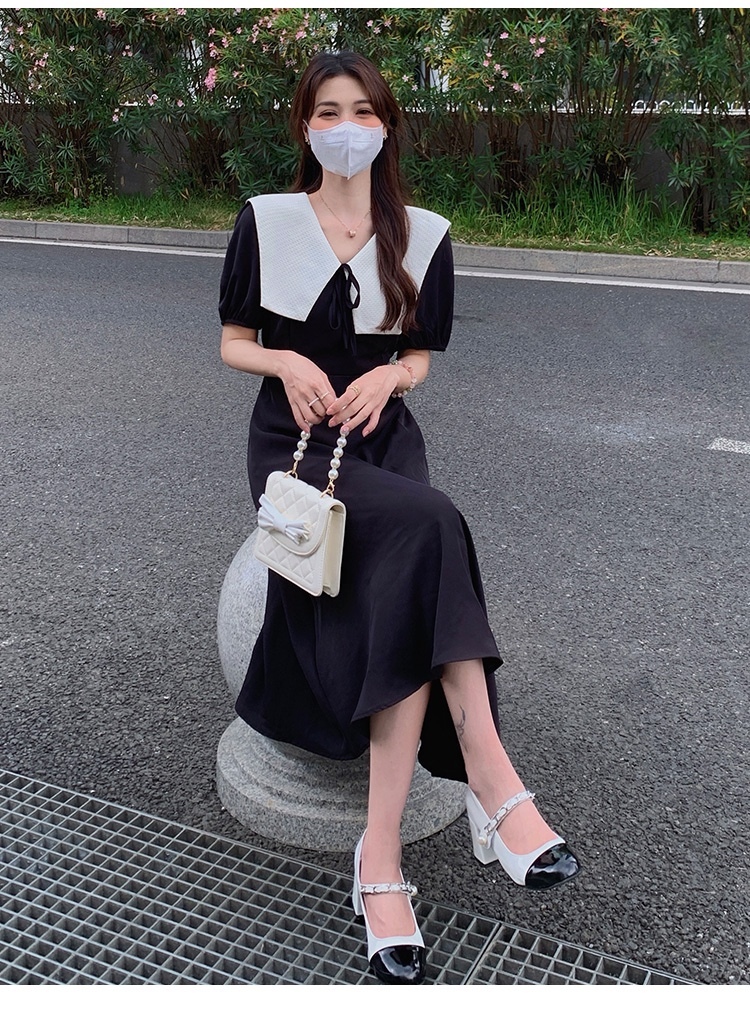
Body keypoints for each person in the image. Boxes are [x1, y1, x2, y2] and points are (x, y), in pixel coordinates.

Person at [219, 50, 580, 985]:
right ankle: (491, 783)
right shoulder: (266, 220)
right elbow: (233, 342)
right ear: (305, 125)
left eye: (363, 112)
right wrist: (286, 362)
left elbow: (419, 355)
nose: (346, 128)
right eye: (327, 111)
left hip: (383, 441)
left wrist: (391, 375)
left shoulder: (421, 234)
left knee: (419, 535)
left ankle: (380, 859)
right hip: (297, 444)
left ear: (386, 126)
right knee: (430, 527)